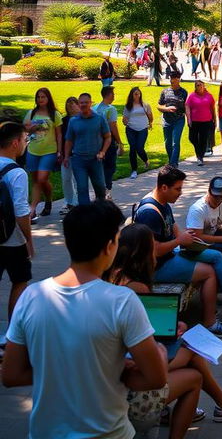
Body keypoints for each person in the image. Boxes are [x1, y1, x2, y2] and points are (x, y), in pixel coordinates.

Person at [2, 200, 167, 439]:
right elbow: (155, 378)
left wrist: (62, 369)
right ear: (110, 245)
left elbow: (11, 375)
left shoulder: (31, 296)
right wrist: (118, 366)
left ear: (68, 242)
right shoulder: (122, 300)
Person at [108, 223, 222, 425]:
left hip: (119, 368)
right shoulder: (137, 287)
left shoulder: (115, 276)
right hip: (132, 371)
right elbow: (147, 338)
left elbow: (145, 325)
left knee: (190, 358)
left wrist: (172, 324)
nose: (158, 251)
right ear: (142, 253)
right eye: (154, 247)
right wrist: (173, 332)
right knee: (193, 355)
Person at [135, 165, 222, 336]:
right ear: (164, 187)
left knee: (216, 255)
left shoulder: (163, 202)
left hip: (171, 255)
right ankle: (214, 320)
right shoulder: (149, 213)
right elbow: (154, 251)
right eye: (177, 189)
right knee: (209, 271)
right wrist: (180, 241)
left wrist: (187, 240)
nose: (180, 193)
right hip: (156, 267)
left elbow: (173, 228)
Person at [0, 122, 33, 343]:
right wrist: (29, 240)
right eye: (24, 140)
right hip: (11, 238)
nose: (25, 144)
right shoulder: (17, 172)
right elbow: (21, 211)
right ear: (15, 143)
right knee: (20, 281)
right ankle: (12, 337)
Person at [64, 91, 111, 205]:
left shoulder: (99, 118)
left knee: (100, 187)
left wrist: (103, 152)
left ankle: (102, 211)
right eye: (81, 103)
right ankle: (86, 215)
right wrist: (66, 156)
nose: (83, 105)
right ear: (78, 104)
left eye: (86, 102)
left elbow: (108, 137)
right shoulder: (73, 121)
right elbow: (69, 140)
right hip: (79, 160)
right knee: (82, 188)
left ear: (91, 103)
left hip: (96, 159)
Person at [23, 87, 62, 220]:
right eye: (38, 97)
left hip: (49, 151)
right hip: (33, 150)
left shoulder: (54, 115)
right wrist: (32, 128)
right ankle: (47, 201)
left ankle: (33, 209)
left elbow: (59, 134)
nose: (40, 99)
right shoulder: (31, 113)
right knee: (36, 180)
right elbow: (26, 131)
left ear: (48, 98)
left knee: (41, 179)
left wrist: (59, 151)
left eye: (43, 97)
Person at [94, 85, 123, 200]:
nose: (114, 96)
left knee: (99, 166)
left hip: (96, 140)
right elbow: (113, 126)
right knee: (110, 166)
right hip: (109, 141)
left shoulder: (94, 108)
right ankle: (107, 190)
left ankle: (100, 190)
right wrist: (119, 141)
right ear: (109, 95)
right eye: (113, 94)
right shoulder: (111, 109)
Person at [159, 71, 188, 167]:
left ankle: (173, 163)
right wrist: (166, 109)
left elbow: (187, 107)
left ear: (178, 79)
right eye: (171, 78)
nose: (172, 81)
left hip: (179, 120)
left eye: (174, 79)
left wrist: (189, 118)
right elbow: (159, 106)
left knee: (175, 142)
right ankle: (172, 160)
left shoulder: (184, 92)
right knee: (168, 143)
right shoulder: (165, 91)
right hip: (167, 120)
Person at [123, 85, 153, 178]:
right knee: (132, 148)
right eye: (135, 94)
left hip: (142, 129)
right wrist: (125, 121)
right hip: (131, 129)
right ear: (132, 95)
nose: (137, 96)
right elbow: (124, 118)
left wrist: (149, 123)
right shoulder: (128, 106)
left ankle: (146, 160)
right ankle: (134, 170)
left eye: (138, 94)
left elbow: (150, 116)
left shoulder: (145, 105)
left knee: (139, 147)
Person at [185, 79, 216, 165]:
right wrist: (188, 119)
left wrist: (215, 120)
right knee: (192, 138)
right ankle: (199, 152)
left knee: (203, 140)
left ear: (204, 86)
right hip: (194, 121)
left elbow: (213, 109)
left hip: (206, 121)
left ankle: (200, 157)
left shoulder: (209, 96)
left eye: (201, 85)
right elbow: (187, 107)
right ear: (195, 87)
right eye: (198, 85)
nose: (200, 87)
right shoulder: (191, 96)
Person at [59, 97, 79, 215]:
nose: (71, 106)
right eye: (68, 104)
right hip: (66, 154)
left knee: (78, 180)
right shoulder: (64, 120)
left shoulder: (82, 119)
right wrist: (61, 153)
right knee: (66, 179)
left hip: (79, 154)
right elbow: (61, 137)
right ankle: (68, 201)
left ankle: (78, 203)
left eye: (73, 103)